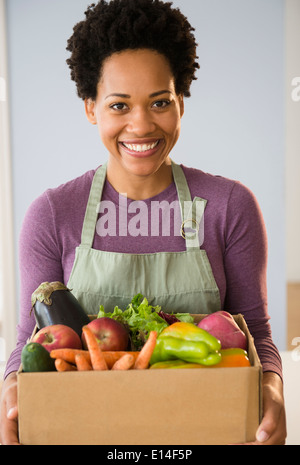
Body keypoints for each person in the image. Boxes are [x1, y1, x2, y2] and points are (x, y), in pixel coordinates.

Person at [0, 0, 286, 445]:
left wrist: (271, 388)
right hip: (84, 431)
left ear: (181, 103)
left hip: (203, 431)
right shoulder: (52, 214)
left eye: (159, 102)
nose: (141, 125)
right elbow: (31, 339)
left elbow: (255, 331)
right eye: (118, 106)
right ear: (90, 107)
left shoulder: (230, 205)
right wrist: (12, 390)